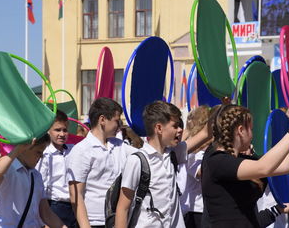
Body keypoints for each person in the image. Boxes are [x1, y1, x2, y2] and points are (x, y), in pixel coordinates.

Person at [201, 102, 289, 228]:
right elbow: (264, 167)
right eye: (251, 129)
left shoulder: (240, 160)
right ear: (241, 130)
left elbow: (288, 164)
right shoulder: (216, 161)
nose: (253, 135)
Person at [115, 101, 211, 228]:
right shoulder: (137, 161)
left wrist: (223, 104)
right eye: (175, 126)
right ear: (159, 128)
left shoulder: (173, 154)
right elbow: (122, 208)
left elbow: (205, 133)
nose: (180, 130)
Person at [66, 97, 136, 228]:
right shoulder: (82, 150)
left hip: (118, 220)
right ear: (102, 120)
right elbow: (76, 195)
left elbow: (145, 155)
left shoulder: (119, 145)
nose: (120, 125)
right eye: (117, 120)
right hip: (94, 222)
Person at [0, 135, 67, 228]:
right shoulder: (8, 169)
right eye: (38, 152)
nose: (41, 156)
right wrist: (16, 150)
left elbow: (46, 213)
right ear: (24, 149)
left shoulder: (36, 175)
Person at [36, 110, 77, 228]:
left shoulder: (72, 150)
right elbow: (40, 184)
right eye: (57, 130)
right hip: (54, 205)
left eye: (65, 130)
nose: (62, 134)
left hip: (73, 206)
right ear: (48, 131)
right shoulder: (45, 154)